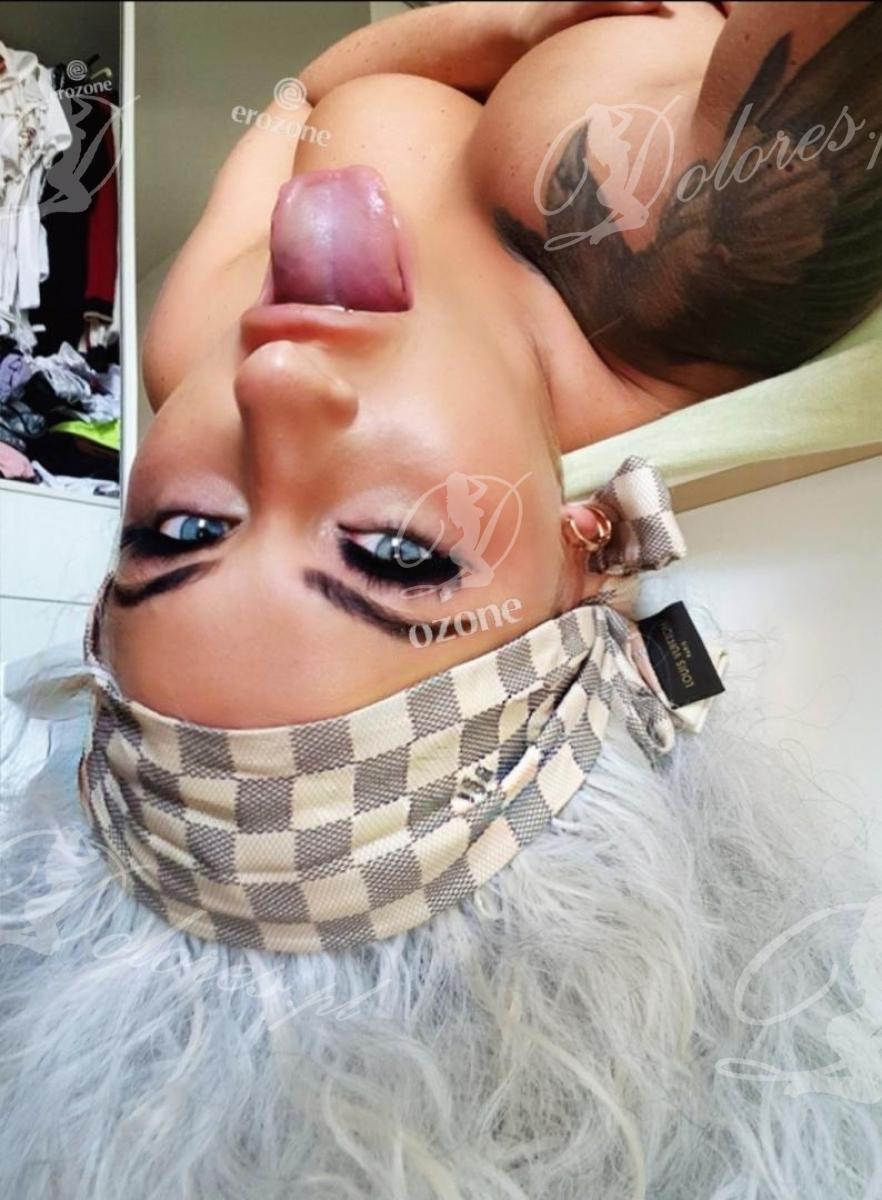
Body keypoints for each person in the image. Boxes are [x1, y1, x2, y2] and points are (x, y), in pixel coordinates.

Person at [2, 4, 881, 1197]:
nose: (272, 382)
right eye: (395, 555)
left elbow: (303, 91)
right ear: (587, 555)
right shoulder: (694, 266)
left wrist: (502, 26)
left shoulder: (191, 340)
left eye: (188, 531)